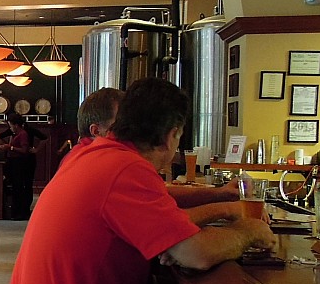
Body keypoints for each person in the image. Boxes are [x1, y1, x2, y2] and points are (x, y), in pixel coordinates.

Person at [4, 78, 276, 284]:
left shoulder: (92, 152)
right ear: (171, 135)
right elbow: (196, 254)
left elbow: (162, 203)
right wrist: (249, 231)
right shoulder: (126, 167)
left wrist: (206, 213)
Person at [72, 87, 240, 208]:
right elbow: (176, 234)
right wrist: (227, 210)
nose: (130, 126)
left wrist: (219, 194)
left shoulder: (88, 155)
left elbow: (158, 194)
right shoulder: (117, 163)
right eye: (121, 122)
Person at [0, 113, 33, 219]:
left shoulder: (23, 134)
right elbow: (2, 135)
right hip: (13, 162)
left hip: (19, 163)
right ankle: (13, 212)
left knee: (18, 187)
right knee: (14, 187)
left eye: (10, 125)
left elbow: (24, 150)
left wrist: (10, 147)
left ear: (16, 125)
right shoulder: (15, 133)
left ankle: (20, 213)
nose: (10, 128)